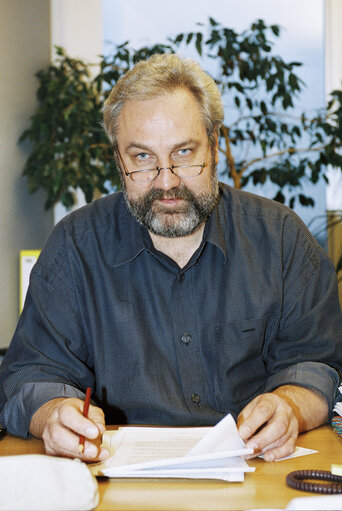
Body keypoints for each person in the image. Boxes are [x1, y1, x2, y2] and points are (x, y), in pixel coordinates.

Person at [1, 54, 341, 464]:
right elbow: (29, 375)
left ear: (214, 146)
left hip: (257, 473)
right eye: (142, 157)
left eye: (183, 152)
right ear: (118, 160)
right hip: (111, 482)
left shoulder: (283, 239)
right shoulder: (74, 247)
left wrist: (290, 404)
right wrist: (53, 413)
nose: (166, 182)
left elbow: (316, 362)